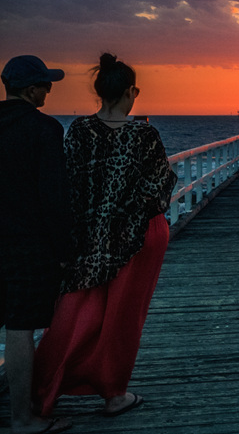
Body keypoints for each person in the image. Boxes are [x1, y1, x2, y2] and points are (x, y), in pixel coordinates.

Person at [33, 53, 177, 419]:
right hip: (137, 238)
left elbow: (69, 187)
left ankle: (43, 390)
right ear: (129, 92)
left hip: (87, 239)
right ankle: (114, 393)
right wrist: (124, 216)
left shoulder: (80, 131)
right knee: (124, 317)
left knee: (74, 310)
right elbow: (159, 186)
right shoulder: (144, 134)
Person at [1, 55, 73, 434]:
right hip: (26, 245)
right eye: (46, 85)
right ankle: (22, 418)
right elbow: (54, 197)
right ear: (31, 90)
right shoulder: (43, 130)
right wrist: (64, 252)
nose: (48, 90)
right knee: (20, 327)